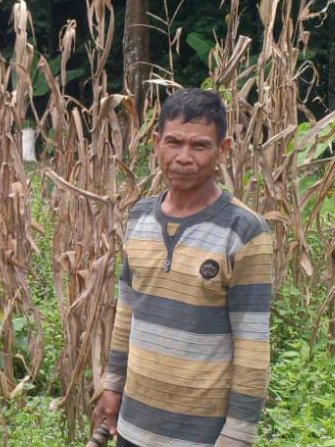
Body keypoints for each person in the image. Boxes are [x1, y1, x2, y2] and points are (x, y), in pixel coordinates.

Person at [93, 88, 273, 447]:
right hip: (133, 425)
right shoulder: (140, 216)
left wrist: (238, 435)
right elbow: (127, 309)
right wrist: (112, 384)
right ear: (156, 143)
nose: (184, 157)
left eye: (200, 145)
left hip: (201, 436)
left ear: (223, 149)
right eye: (173, 142)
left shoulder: (245, 230)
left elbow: (252, 341)